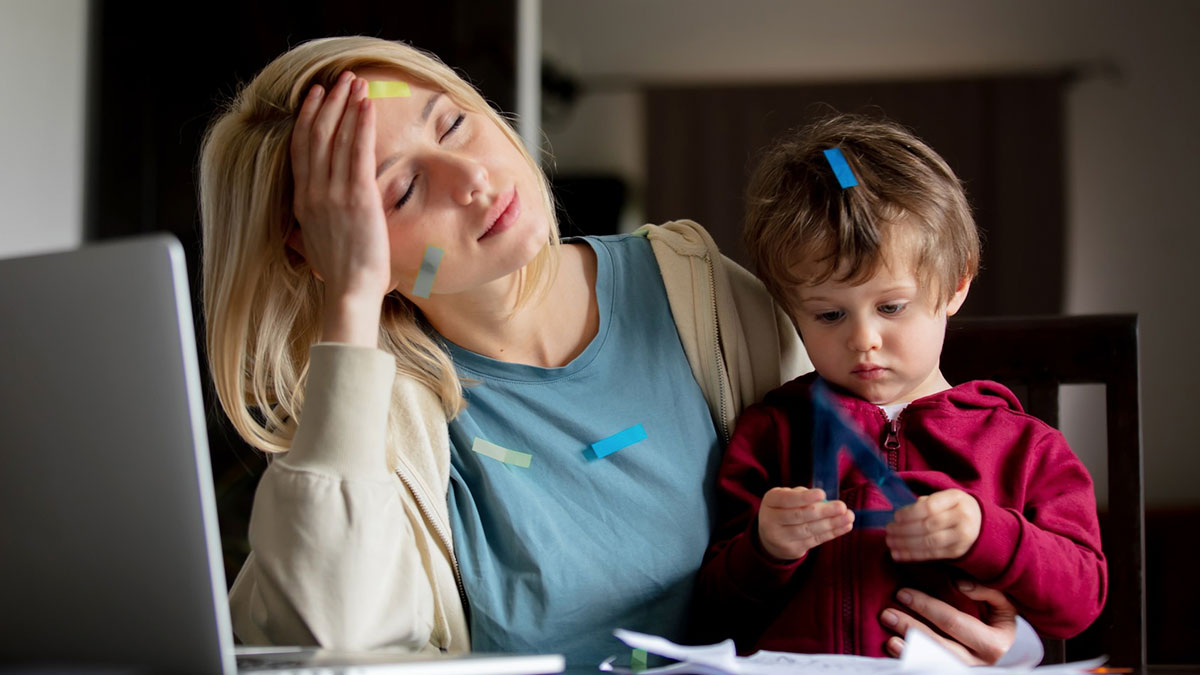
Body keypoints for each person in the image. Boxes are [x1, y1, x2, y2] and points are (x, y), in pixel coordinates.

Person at [198, 36, 1025, 667]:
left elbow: (887, 479)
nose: (473, 180)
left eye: (452, 121)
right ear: (329, 246)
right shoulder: (375, 418)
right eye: (402, 189)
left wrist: (995, 627)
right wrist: (349, 301)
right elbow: (326, 648)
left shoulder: (700, 293)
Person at [694, 114, 1108, 658]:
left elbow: (1081, 601)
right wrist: (764, 547)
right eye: (828, 315)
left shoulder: (1024, 448)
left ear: (957, 284)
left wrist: (989, 533)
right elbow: (712, 608)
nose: (863, 339)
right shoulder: (769, 433)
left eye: (891, 307)